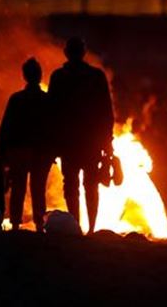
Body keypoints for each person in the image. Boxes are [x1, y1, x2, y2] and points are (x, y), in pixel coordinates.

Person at [48, 37, 113, 234]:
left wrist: (53, 143)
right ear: (84, 52)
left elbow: (52, 112)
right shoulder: (96, 76)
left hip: (68, 142)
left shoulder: (59, 77)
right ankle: (91, 228)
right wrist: (107, 142)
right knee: (91, 185)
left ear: (66, 53)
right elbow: (106, 112)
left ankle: (75, 225)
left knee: (71, 185)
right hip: (91, 141)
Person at [0, 57, 52, 231]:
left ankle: (15, 223)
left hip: (18, 150)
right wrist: (53, 150)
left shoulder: (16, 99)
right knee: (38, 188)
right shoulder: (46, 100)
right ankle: (40, 224)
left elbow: (6, 126)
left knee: (18, 187)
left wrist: (2, 152)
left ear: (24, 76)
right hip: (41, 151)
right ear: (40, 75)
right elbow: (53, 127)